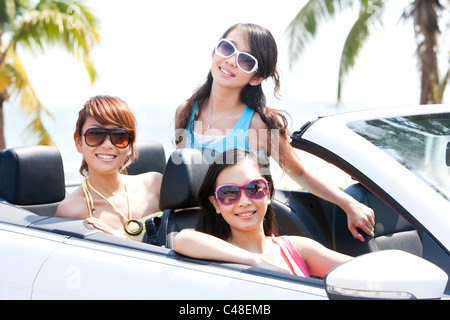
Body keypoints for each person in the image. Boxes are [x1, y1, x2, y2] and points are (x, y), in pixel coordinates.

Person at [175, 23, 374, 242]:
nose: (231, 60)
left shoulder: (258, 124)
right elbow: (182, 177)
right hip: (195, 232)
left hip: (242, 236)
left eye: (245, 60)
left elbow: (299, 173)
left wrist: (348, 203)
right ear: (215, 51)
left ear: (256, 78)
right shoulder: (186, 112)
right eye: (227, 48)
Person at [173, 149, 351, 277]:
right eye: (228, 193)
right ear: (215, 203)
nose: (244, 202)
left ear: (268, 193)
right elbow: (183, 239)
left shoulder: (295, 248)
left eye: (254, 188)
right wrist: (255, 261)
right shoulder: (213, 252)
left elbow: (359, 270)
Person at [56, 95, 162, 240]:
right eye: (95, 134)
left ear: (130, 145)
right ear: (78, 142)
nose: (107, 145)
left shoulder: (155, 185)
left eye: (119, 136)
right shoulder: (71, 210)